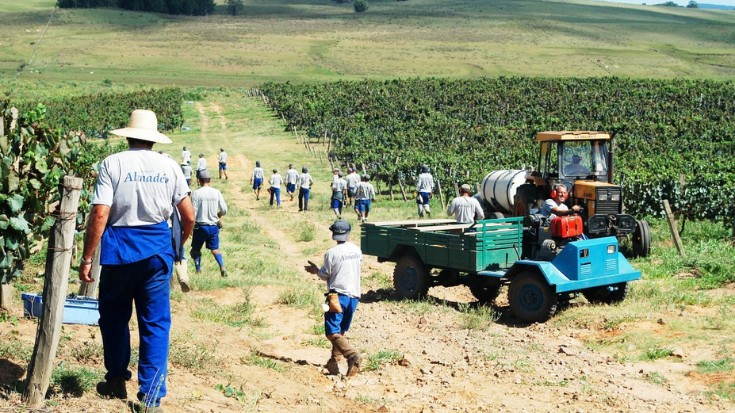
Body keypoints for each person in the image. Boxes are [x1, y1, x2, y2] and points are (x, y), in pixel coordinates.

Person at [79, 109, 195, 412]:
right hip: (157, 251)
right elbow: (189, 215)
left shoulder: (113, 163)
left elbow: (101, 213)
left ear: (128, 135)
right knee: (155, 323)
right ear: (154, 140)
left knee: (115, 317)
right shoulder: (170, 166)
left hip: (119, 249)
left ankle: (116, 380)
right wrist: (177, 245)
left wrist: (88, 256)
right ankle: (152, 396)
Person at [304, 219, 364, 377]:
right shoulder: (357, 250)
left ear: (333, 234)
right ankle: (333, 363)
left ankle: (352, 355)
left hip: (337, 296)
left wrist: (315, 270)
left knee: (331, 332)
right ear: (349, 233)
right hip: (354, 296)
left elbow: (325, 275)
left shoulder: (331, 253)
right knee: (341, 331)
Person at [190, 171, 228, 277]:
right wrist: (219, 214)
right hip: (214, 226)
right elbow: (224, 209)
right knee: (215, 249)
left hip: (200, 226)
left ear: (199, 180)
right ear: (210, 180)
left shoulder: (196, 193)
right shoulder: (216, 192)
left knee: (196, 249)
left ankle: (198, 270)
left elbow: (194, 212)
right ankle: (222, 265)